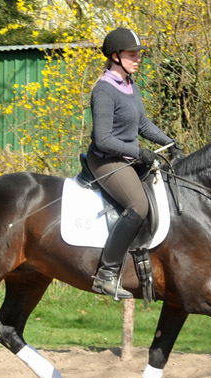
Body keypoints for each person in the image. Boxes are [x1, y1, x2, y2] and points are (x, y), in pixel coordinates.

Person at [87, 27, 184, 299]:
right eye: (132, 54)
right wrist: (139, 152)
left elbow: (142, 123)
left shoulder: (130, 85)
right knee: (138, 206)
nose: (138, 59)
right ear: (116, 57)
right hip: (106, 160)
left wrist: (170, 142)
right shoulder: (104, 91)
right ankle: (106, 275)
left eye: (138, 54)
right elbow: (103, 139)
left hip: (126, 156)